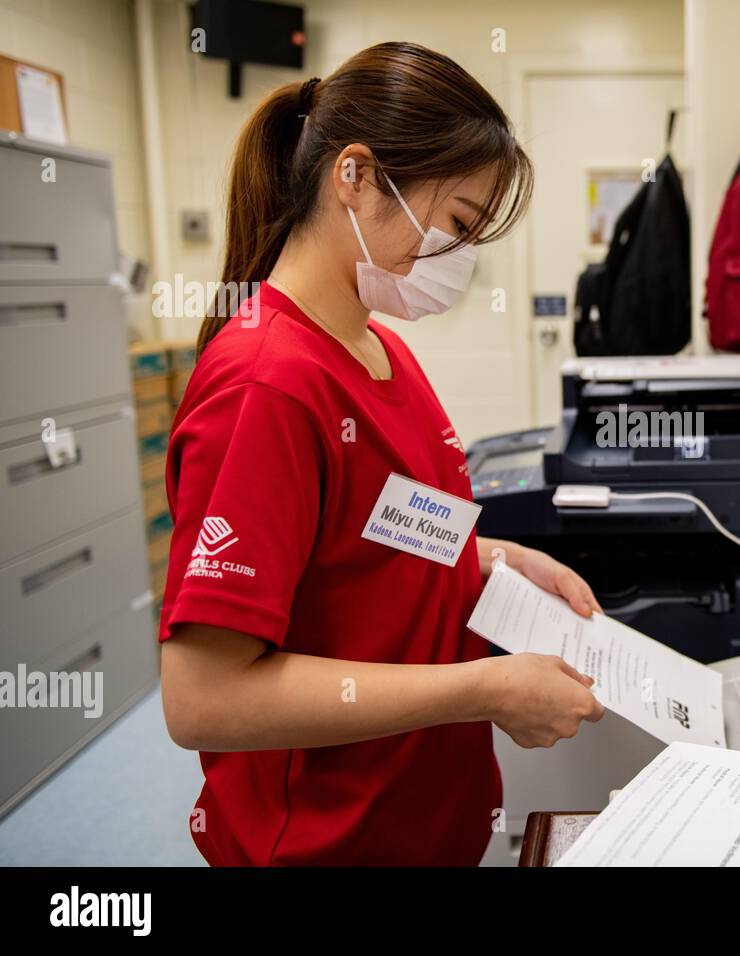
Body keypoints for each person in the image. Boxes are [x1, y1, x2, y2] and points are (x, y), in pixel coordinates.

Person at [158, 42, 605, 866]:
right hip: (327, 840)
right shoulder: (268, 384)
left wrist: (492, 560)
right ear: (354, 176)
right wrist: (488, 688)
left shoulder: (380, 352)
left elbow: (382, 531)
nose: (460, 259)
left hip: (421, 815)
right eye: (459, 222)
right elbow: (203, 699)